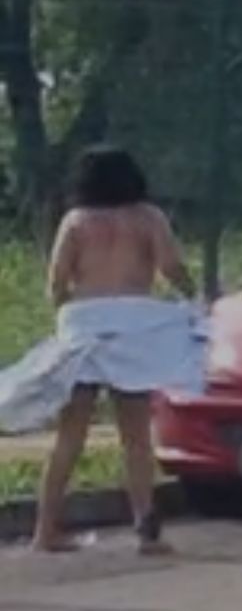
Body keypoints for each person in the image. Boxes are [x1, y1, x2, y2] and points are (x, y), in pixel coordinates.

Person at [25, 146, 199, 554]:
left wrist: (77, 309)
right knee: (136, 436)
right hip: (133, 327)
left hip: (86, 325)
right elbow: (171, 266)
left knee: (69, 436)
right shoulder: (147, 217)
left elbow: (56, 284)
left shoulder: (76, 221)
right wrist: (193, 296)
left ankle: (45, 529)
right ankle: (145, 530)